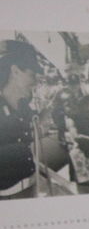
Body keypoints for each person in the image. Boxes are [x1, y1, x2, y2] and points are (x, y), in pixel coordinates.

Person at [0, 39, 41, 200]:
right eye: (32, 75)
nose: (35, 81)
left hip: (30, 186)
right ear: (15, 71)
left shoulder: (24, 106)